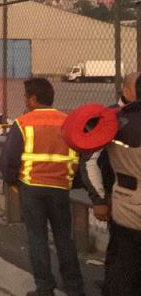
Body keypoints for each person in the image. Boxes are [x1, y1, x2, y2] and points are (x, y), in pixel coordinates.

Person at [0, 77, 84, 296]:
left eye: (26, 97)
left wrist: (11, 181)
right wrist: (70, 181)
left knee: (37, 239)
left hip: (32, 187)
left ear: (34, 98)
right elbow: (79, 156)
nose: (25, 101)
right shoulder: (67, 122)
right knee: (64, 238)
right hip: (60, 187)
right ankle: (74, 287)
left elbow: (9, 159)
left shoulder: (23, 123)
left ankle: (45, 288)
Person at [81, 71, 139, 296]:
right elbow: (89, 162)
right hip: (118, 203)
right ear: (125, 91)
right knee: (120, 258)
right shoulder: (108, 120)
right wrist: (99, 200)